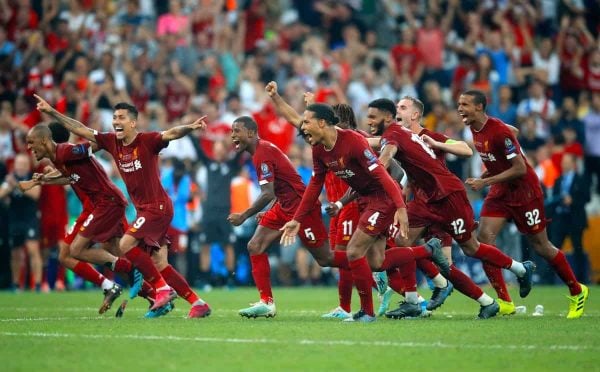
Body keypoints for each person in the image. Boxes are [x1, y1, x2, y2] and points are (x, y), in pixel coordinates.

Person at [34, 95, 211, 319]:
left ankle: (163, 290)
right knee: (160, 263)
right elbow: (80, 128)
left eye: (121, 117)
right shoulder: (111, 142)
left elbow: (170, 133)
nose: (116, 121)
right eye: (115, 117)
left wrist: (190, 127)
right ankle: (198, 303)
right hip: (145, 210)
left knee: (126, 243)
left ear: (133, 123)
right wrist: (51, 112)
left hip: (157, 207)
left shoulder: (147, 140)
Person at [279, 105, 447, 322]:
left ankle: (367, 312)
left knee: (354, 251)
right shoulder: (319, 149)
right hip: (364, 199)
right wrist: (296, 220)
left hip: (382, 198)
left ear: (322, 123)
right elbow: (314, 186)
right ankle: (428, 249)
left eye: (307, 122)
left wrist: (401, 208)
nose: (303, 127)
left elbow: (383, 176)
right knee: (376, 262)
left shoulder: (354, 141)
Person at [371, 98, 534, 319]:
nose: (397, 110)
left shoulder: (422, 135)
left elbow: (465, 149)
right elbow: (376, 143)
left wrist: (437, 145)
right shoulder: (399, 134)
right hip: (424, 201)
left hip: (447, 196)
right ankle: (415, 298)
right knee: (402, 241)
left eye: (402, 107)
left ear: (415, 114)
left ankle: (519, 269)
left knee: (470, 249)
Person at [459, 89, 589, 319]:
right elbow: (510, 138)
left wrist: (485, 180)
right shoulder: (476, 128)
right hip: (501, 191)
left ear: (479, 107)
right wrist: (489, 177)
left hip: (525, 192)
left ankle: (577, 290)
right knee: (484, 239)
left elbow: (519, 168)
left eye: (465, 104)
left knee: (541, 246)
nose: (460, 109)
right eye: (459, 104)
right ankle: (504, 301)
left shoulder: (498, 131)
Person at [266, 81, 362, 319]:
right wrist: (277, 97)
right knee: (333, 258)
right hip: (334, 206)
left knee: (350, 256)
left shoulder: (354, 140)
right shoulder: (321, 143)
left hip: (350, 204)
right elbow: (294, 119)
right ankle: (347, 305)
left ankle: (355, 304)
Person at [25, 123, 140, 313]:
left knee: (79, 251)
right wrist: (46, 179)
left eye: (31, 142)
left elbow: (94, 145)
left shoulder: (67, 152)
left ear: (47, 139)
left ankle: (147, 282)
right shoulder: (60, 158)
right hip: (96, 206)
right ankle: (148, 290)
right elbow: (70, 177)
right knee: (87, 252)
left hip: (103, 204)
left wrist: (118, 139)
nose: (29, 147)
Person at [195, 139, 242, 289]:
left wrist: (241, 139)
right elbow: (199, 151)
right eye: (216, 148)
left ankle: (229, 279)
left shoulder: (231, 166)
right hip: (209, 213)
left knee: (228, 245)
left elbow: (239, 154)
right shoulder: (209, 165)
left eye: (221, 148)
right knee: (205, 245)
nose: (218, 151)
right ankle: (205, 280)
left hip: (225, 213)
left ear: (226, 150)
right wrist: (193, 133)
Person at [0, 153, 42, 292]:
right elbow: (1, 194)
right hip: (15, 219)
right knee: (15, 253)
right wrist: (10, 186)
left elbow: (35, 194)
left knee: (32, 250)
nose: (21, 167)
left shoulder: (33, 177)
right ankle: (16, 284)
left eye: (24, 164)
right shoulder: (10, 179)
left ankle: (37, 285)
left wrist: (16, 185)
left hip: (30, 218)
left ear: (28, 165)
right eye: (19, 164)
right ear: (15, 165)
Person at [548, 153, 590, 283]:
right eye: (563, 162)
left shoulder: (581, 179)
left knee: (577, 248)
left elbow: (586, 198)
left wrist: (572, 201)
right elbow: (553, 201)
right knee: (553, 249)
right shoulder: (558, 180)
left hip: (575, 219)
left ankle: (581, 279)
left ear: (573, 164)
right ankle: (551, 278)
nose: (564, 164)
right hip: (560, 219)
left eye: (567, 161)